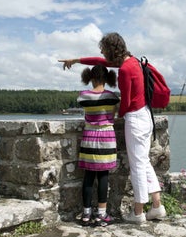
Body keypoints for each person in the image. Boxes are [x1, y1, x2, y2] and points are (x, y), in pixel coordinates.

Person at [59, 32, 167, 224]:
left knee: (138, 166)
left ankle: (138, 212)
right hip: (145, 115)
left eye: (103, 49)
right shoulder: (132, 61)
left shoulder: (125, 70)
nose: (102, 53)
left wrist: (116, 117)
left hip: (135, 119)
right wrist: (76, 60)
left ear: (111, 49)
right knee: (144, 161)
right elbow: (100, 61)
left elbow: (125, 101)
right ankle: (157, 207)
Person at [76, 64, 120, 227]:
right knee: (103, 176)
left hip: (89, 136)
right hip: (107, 137)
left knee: (88, 176)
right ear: (107, 78)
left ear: (90, 78)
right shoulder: (112, 96)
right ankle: (101, 214)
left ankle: (86, 214)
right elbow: (114, 114)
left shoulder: (83, 96)